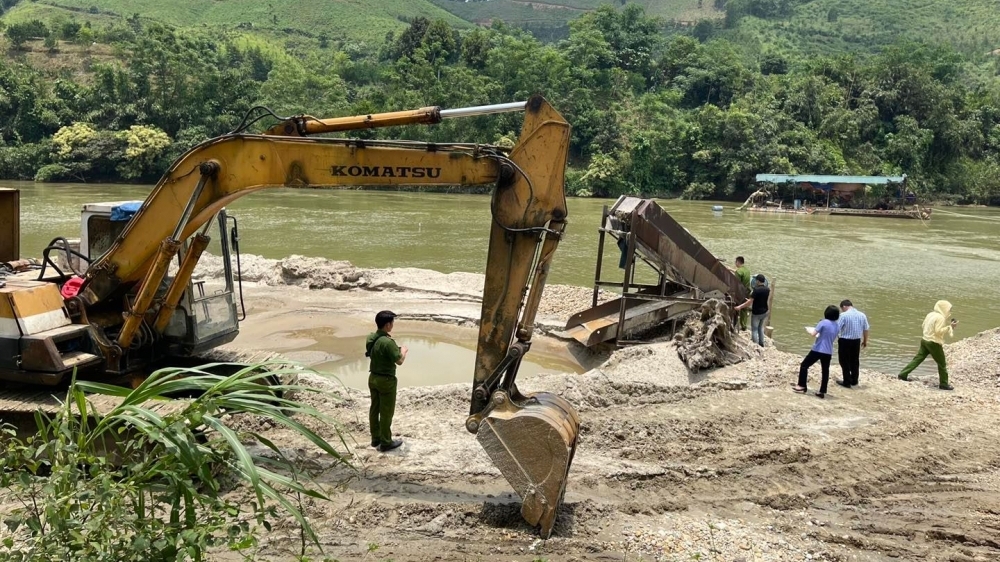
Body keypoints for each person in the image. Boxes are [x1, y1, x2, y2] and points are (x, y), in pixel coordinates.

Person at [366, 310, 408, 452]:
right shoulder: (388, 342)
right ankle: (386, 442)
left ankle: (375, 438)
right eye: (392, 323)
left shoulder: (371, 338)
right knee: (386, 412)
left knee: (374, 409)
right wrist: (403, 351)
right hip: (386, 381)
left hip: (373, 378)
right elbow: (399, 361)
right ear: (388, 325)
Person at [897, 300, 957, 390]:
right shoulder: (940, 318)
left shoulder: (930, 314)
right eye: (949, 309)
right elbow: (938, 331)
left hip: (925, 340)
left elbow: (923, 325)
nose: (949, 312)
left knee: (918, 359)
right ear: (944, 309)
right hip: (933, 342)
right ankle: (944, 383)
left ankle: (903, 374)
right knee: (942, 363)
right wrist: (949, 327)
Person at [793, 305, 840, 399]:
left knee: (804, 365)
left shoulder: (823, 322)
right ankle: (822, 391)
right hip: (829, 350)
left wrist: (809, 330)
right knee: (825, 370)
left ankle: (802, 385)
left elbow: (814, 334)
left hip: (818, 349)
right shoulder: (837, 325)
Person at [836, 299, 869, 388]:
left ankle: (846, 381)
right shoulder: (862, 315)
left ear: (843, 307)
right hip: (856, 341)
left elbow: (837, 328)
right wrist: (865, 341)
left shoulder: (843, 315)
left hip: (845, 340)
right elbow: (866, 329)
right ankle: (854, 380)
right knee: (855, 361)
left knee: (844, 360)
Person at [733, 274, 770, 347]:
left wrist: (740, 307)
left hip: (757, 312)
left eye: (756, 280)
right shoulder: (767, 289)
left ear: (758, 281)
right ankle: (761, 343)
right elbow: (760, 299)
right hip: (764, 311)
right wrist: (750, 300)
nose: (755, 281)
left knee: (755, 329)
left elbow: (750, 302)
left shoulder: (756, 290)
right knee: (760, 328)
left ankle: (755, 345)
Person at [734, 256, 752, 331]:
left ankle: (734, 324)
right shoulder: (747, 270)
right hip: (747, 291)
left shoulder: (738, 272)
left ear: (738, 262)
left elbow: (736, 283)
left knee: (736, 307)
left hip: (740, 292)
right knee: (744, 308)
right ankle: (744, 326)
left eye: (735, 262)